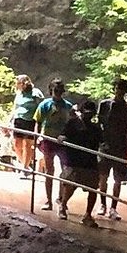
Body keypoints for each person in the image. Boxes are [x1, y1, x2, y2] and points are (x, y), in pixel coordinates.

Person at [58, 98, 105, 226]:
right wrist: (62, 138)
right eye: (86, 112)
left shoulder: (95, 128)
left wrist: (105, 146)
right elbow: (62, 135)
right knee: (70, 186)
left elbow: (102, 142)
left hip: (90, 162)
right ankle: (62, 206)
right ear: (81, 111)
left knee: (93, 189)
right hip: (74, 160)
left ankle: (88, 215)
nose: (88, 115)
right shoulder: (72, 123)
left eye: (91, 113)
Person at [34, 78, 77, 210]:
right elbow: (38, 122)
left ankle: (61, 199)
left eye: (59, 90)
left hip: (63, 142)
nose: (57, 92)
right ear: (51, 90)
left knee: (65, 171)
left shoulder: (68, 106)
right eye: (55, 90)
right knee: (49, 170)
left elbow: (73, 123)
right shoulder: (45, 105)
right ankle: (48, 200)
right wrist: (37, 137)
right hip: (48, 140)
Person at [101, 78, 127, 221]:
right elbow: (100, 123)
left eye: (122, 89)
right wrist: (101, 141)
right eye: (117, 88)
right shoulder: (105, 105)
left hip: (120, 146)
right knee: (103, 177)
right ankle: (103, 204)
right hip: (106, 145)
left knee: (118, 179)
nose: (119, 91)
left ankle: (113, 207)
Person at [10, 76, 42, 177]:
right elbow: (15, 108)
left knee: (27, 145)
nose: (17, 85)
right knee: (16, 145)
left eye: (18, 83)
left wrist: (40, 123)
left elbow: (41, 107)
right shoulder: (19, 94)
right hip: (18, 120)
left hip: (30, 121)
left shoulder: (35, 93)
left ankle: (25, 168)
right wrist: (9, 121)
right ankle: (26, 166)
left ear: (24, 83)